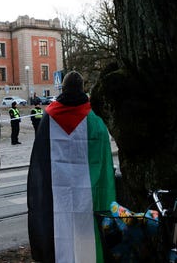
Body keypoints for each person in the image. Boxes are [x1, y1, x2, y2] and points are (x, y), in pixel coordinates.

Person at [27, 71, 116, 262]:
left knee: (61, 229)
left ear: (63, 88)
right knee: (87, 232)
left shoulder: (49, 117)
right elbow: (103, 160)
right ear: (83, 88)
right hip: (88, 192)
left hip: (58, 192)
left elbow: (40, 160)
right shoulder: (95, 118)